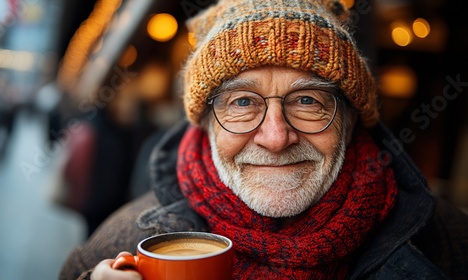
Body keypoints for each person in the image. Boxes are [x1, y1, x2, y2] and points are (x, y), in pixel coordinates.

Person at [59, 0, 468, 279]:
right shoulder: (116, 244)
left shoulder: (451, 245)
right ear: (204, 122)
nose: (275, 138)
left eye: (308, 100)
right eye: (241, 102)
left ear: (349, 116)